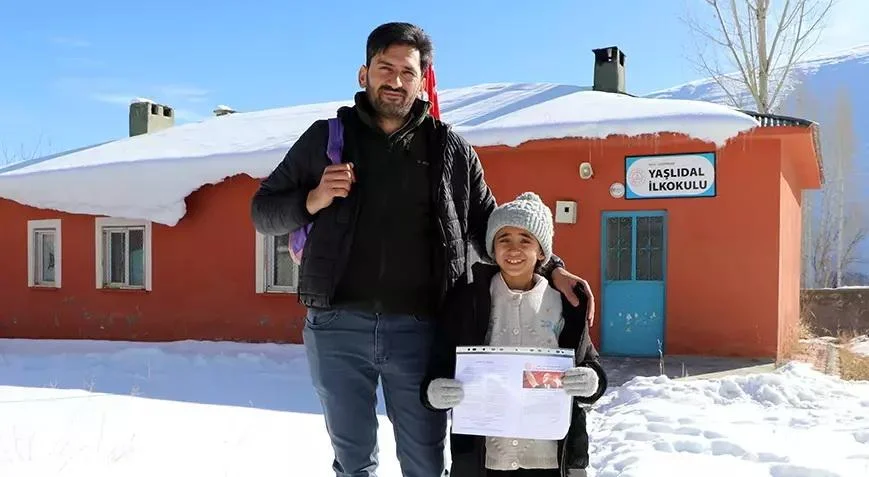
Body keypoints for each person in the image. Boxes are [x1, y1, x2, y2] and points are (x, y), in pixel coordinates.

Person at [250, 22, 595, 477]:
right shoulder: (325, 139)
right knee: (352, 462)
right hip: (336, 328)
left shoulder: (450, 149)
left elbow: (494, 229)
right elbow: (263, 211)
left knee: (425, 463)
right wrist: (313, 198)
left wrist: (552, 269)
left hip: (419, 331)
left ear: (422, 79)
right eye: (384, 68)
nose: (394, 81)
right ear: (364, 73)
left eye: (406, 72)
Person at [422, 192, 607, 477]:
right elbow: (440, 362)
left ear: (542, 252)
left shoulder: (564, 303)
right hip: (486, 456)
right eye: (503, 239)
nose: (513, 249)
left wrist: (591, 382)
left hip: (548, 455)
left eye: (525, 240)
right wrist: (434, 392)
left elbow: (588, 363)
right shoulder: (467, 301)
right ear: (492, 248)